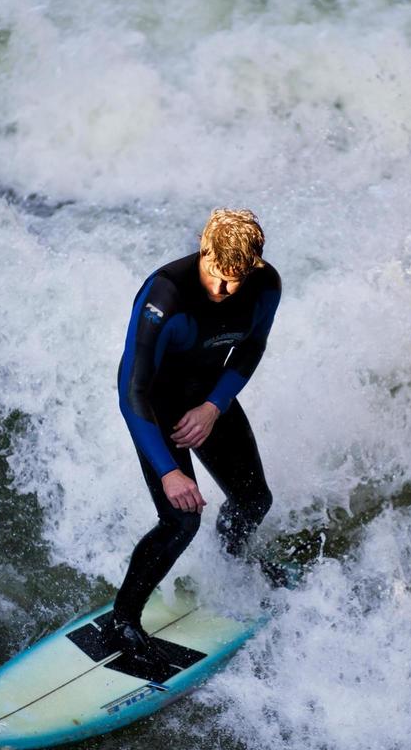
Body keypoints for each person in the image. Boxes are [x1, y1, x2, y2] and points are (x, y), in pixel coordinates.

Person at [108, 208, 282, 662]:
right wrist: (169, 472)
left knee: (254, 500)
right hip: (155, 404)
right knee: (181, 520)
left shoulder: (265, 285)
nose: (225, 292)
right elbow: (132, 390)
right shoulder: (165, 294)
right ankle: (122, 618)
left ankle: (231, 560)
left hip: (207, 398)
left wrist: (213, 406)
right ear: (205, 249)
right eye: (219, 278)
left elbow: (251, 348)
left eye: (235, 283)